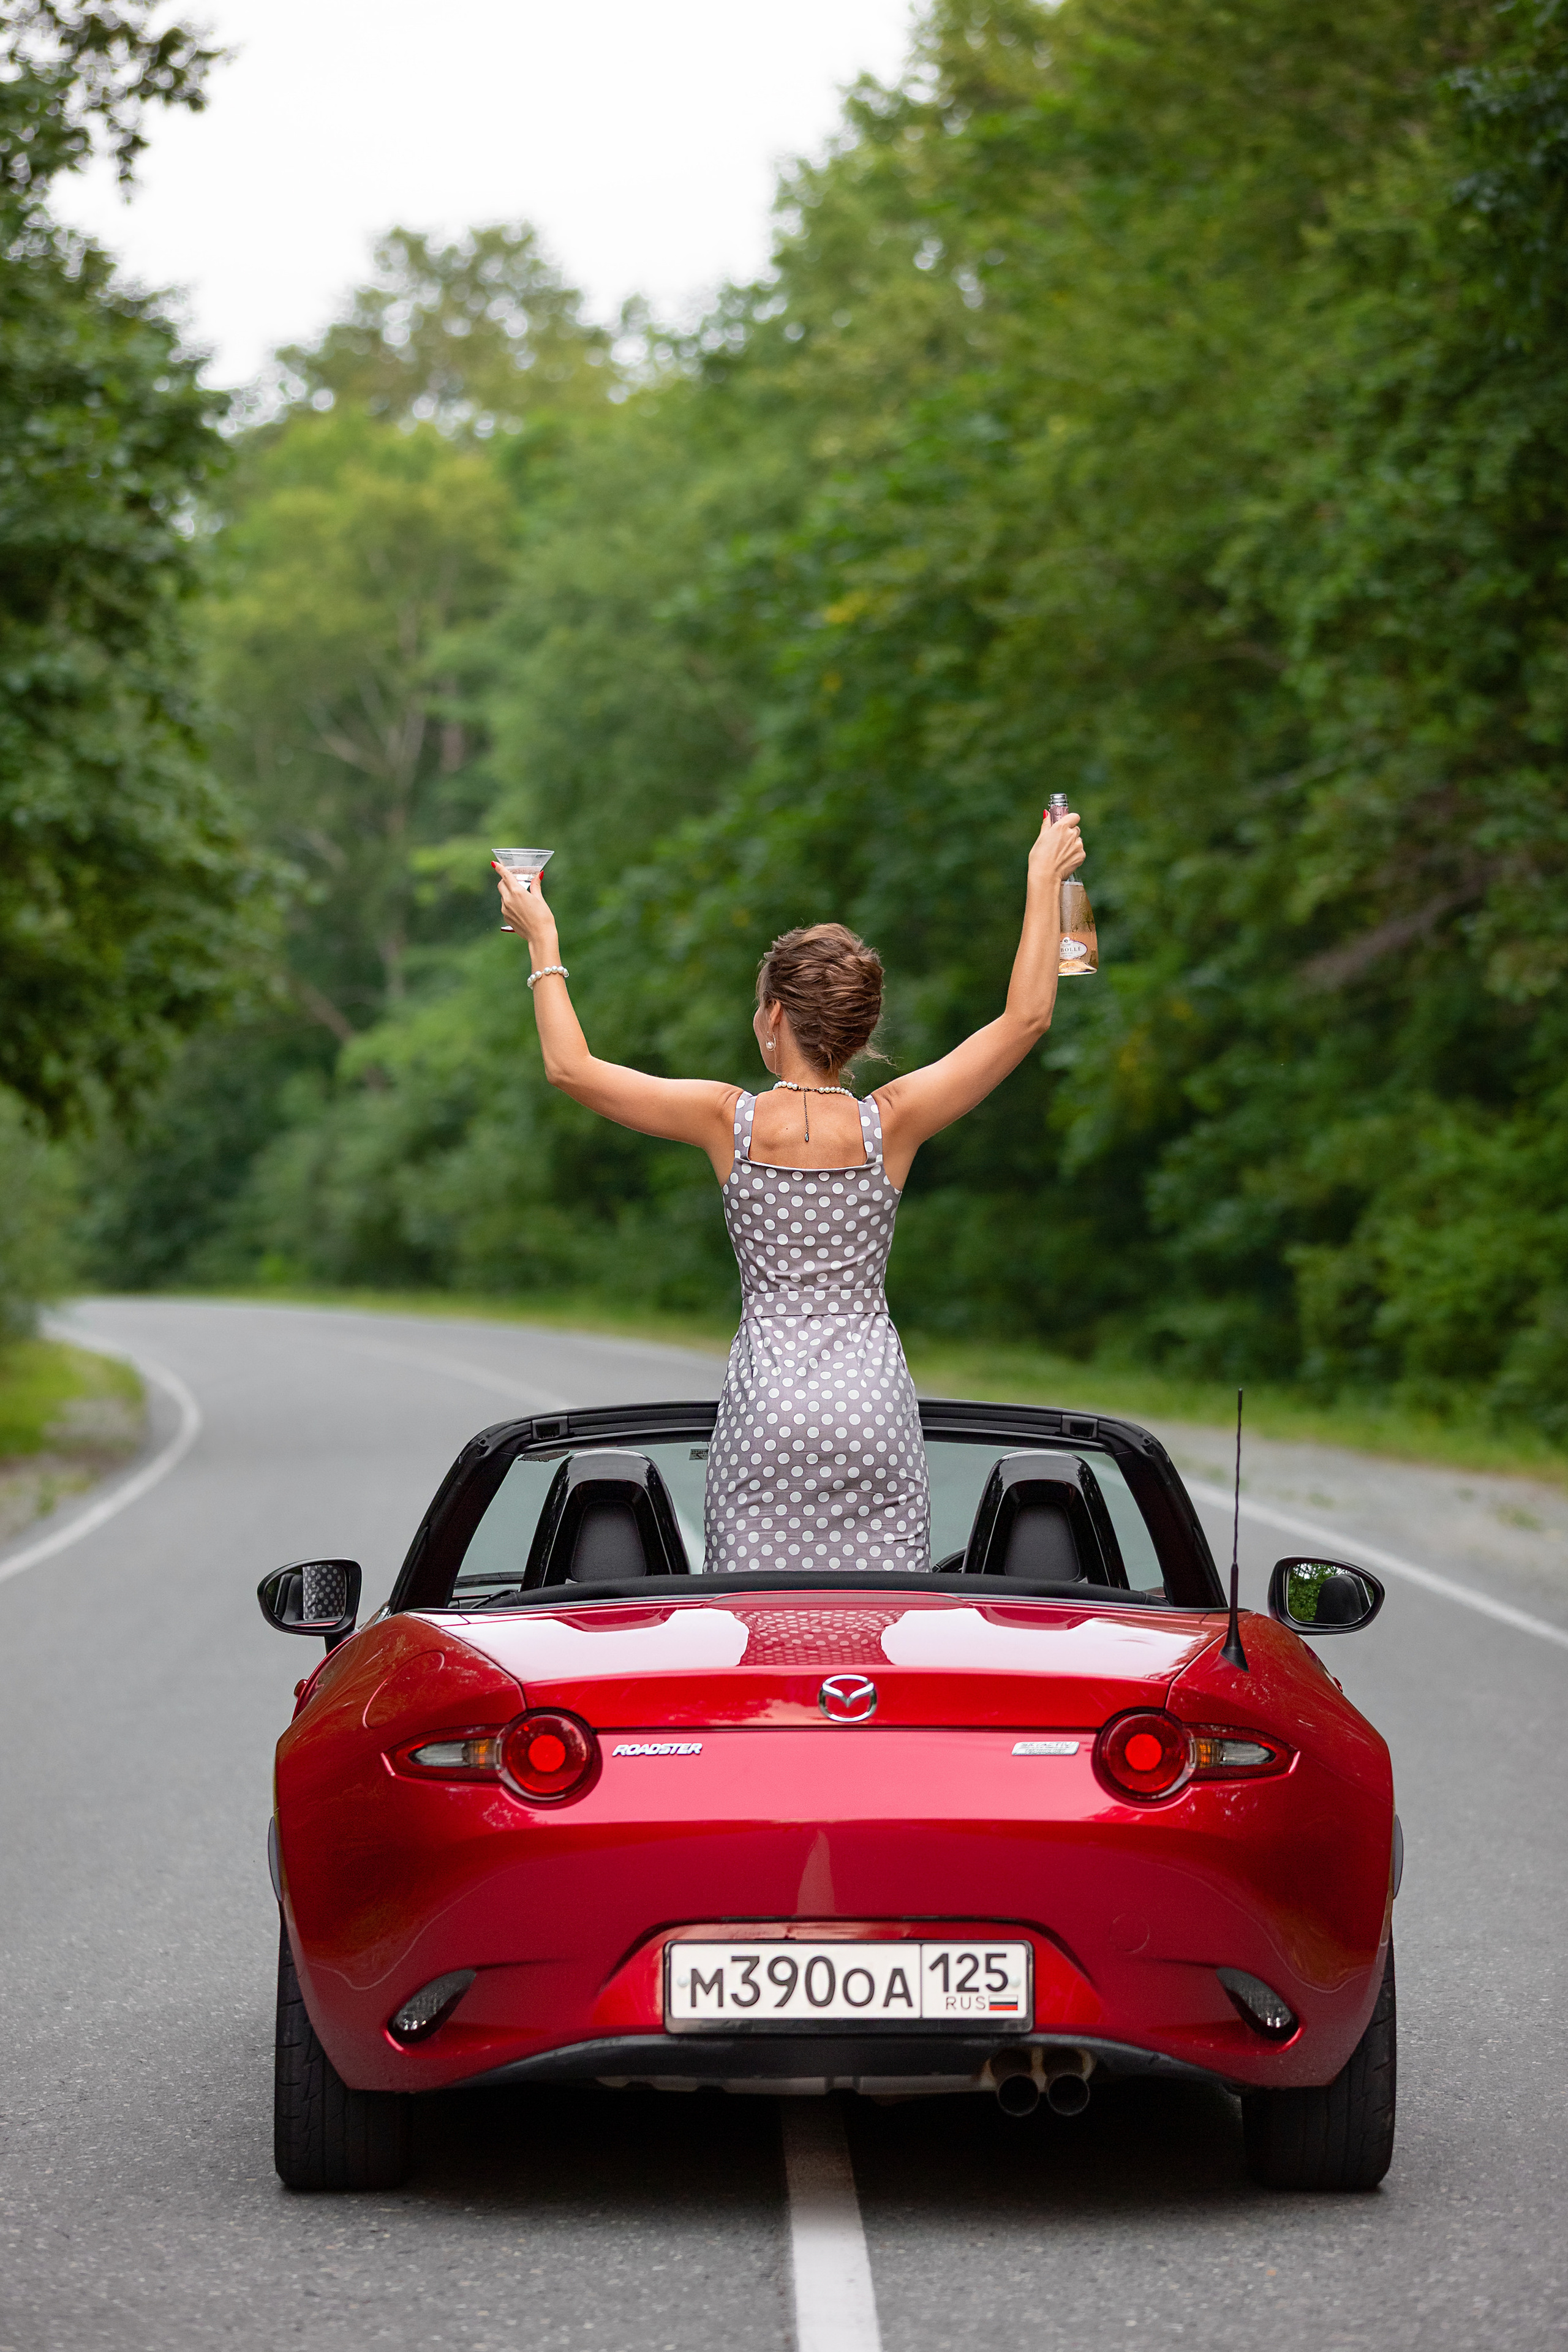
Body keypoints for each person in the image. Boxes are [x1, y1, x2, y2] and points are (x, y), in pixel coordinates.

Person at [494, 807, 1087, 1573]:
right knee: (877, 1635)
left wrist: (544, 943)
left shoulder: (728, 1122)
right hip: (871, 1404)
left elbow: (571, 1069)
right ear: (859, 1029)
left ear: (773, 1016)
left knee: (758, 1634)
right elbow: (1027, 1016)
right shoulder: (891, 1124)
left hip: (766, 1406)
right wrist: (1045, 878)